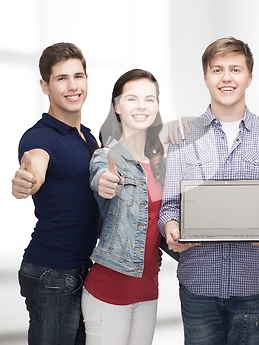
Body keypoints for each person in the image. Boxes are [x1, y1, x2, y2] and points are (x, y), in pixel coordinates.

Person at [157, 36, 259, 345]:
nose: (226, 78)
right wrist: (170, 227)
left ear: (249, 76)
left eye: (235, 69)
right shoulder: (184, 136)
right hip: (198, 283)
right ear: (205, 77)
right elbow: (169, 206)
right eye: (217, 70)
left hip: (252, 283)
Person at [11, 42, 100, 345]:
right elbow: (34, 167)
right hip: (52, 273)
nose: (73, 86)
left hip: (81, 269)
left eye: (78, 76)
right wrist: (27, 180)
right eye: (61, 78)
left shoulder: (88, 137)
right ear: (45, 86)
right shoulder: (39, 137)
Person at [80, 69, 165, 345]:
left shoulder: (162, 164)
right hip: (109, 291)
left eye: (149, 99)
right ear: (117, 106)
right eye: (132, 99)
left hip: (148, 291)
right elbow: (101, 176)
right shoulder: (107, 156)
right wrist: (105, 182)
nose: (141, 106)